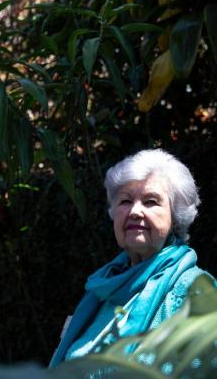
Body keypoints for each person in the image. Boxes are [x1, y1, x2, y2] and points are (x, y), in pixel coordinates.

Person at [49, 148, 215, 368]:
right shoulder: (103, 289)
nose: (135, 211)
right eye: (125, 201)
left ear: (175, 217)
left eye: (151, 202)